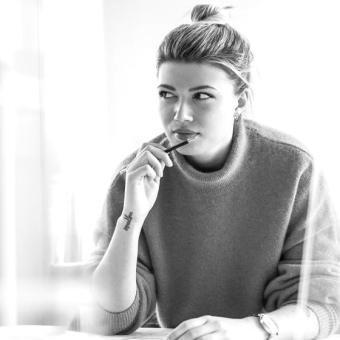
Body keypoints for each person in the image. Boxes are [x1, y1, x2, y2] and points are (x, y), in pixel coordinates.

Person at [83, 4, 340, 340]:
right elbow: (110, 318)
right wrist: (131, 216)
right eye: (167, 94)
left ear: (240, 101)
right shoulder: (134, 175)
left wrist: (253, 329)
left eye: (201, 96)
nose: (180, 115)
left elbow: (323, 308)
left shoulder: (295, 168)